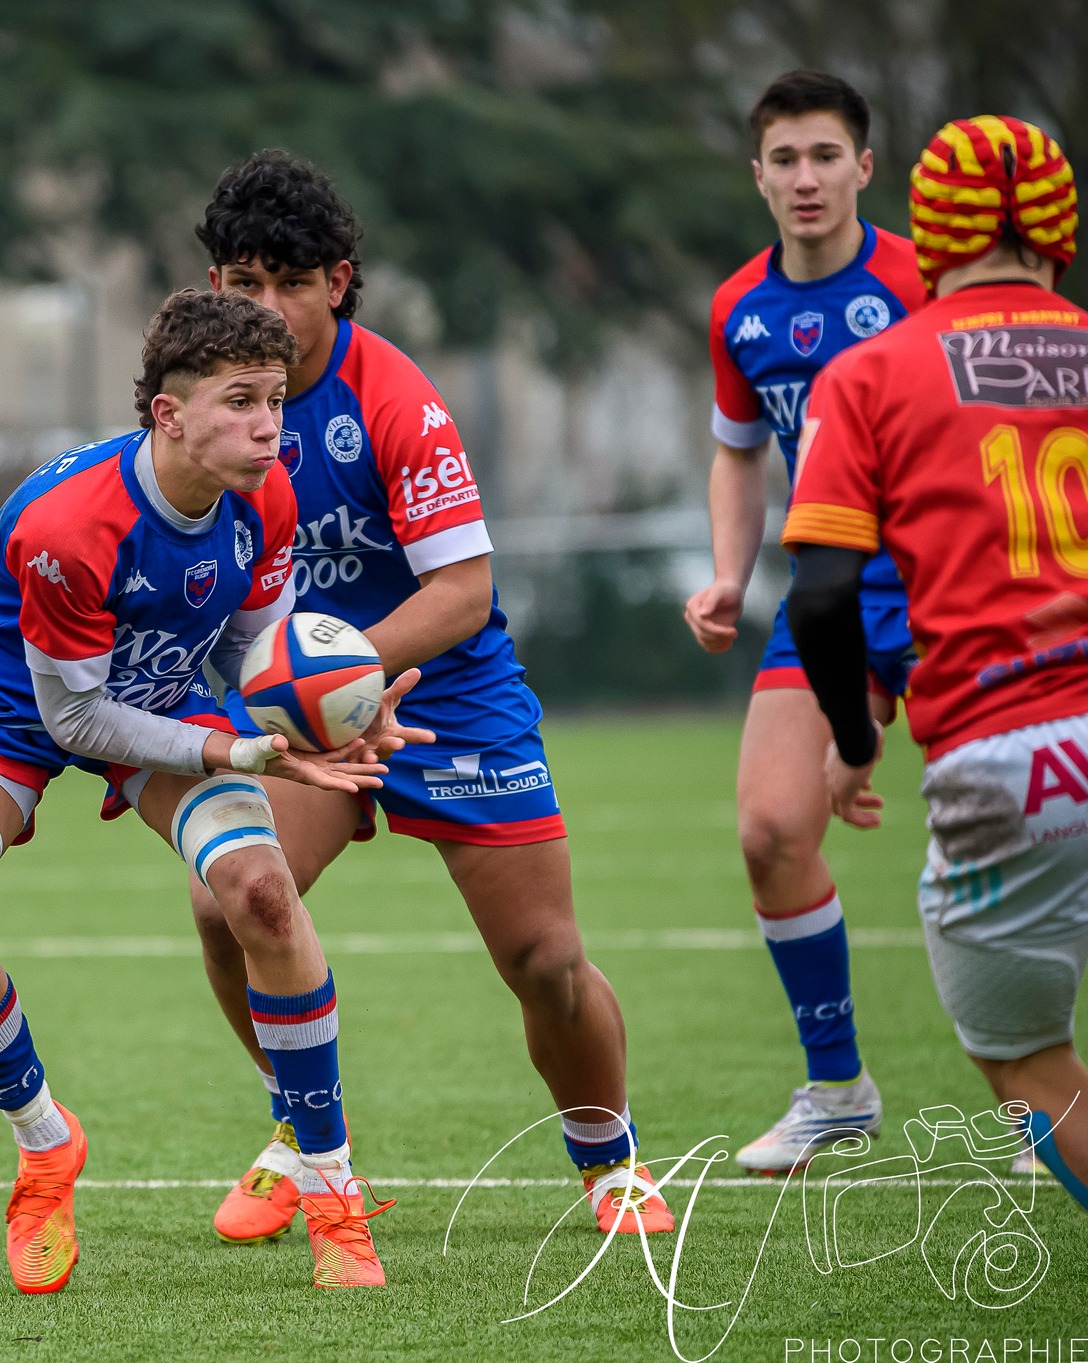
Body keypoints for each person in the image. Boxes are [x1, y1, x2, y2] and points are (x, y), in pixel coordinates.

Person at [0, 288, 424, 1292]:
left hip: (160, 690)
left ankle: (331, 1194)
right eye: (238, 401)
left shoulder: (266, 493)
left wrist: (328, 716)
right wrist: (234, 757)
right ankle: (45, 1145)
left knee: (263, 895)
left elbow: (252, 650)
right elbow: (76, 720)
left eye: (273, 398)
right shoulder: (69, 525)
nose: (267, 425)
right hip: (12, 705)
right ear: (167, 415)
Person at [192, 150, 675, 1241]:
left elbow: (461, 593)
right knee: (230, 904)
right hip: (298, 709)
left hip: (443, 694)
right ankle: (300, 1136)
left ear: (337, 281)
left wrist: (330, 670)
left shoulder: (394, 400)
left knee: (544, 961)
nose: (263, 305)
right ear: (216, 288)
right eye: (242, 281)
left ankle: (609, 1164)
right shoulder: (203, 412)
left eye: (289, 281)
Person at [784, 113, 1088, 1213]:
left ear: (929, 226)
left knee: (1024, 1059)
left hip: (1011, 752)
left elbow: (819, 595)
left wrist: (855, 742)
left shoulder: (870, 374)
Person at [682, 71, 928, 1174]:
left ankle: (1047, 1104)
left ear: (863, 167)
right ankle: (836, 1088)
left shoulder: (925, 282)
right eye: (782, 160)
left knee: (1022, 841)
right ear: (756, 177)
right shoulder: (739, 307)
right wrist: (730, 574)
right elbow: (738, 449)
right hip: (826, 594)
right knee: (769, 832)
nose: (804, 178)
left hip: (954, 585)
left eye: (823, 155)